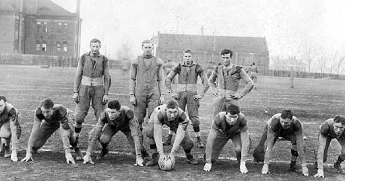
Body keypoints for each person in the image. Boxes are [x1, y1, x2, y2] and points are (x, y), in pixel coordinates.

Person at [164, 49, 209, 148]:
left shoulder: (197, 67)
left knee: (194, 118)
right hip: (180, 95)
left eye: (189, 56)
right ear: (183, 57)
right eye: (186, 56)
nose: (187, 58)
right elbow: (168, 79)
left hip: (192, 95)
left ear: (192, 57)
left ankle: (198, 139)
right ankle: (169, 138)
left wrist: (201, 94)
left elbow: (206, 82)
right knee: (175, 116)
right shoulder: (179, 66)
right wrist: (171, 93)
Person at [72, 38, 111, 151]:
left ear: (100, 47)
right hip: (84, 88)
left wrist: (106, 93)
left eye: (97, 46)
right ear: (90, 46)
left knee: (101, 116)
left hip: (98, 89)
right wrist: (75, 91)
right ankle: (76, 137)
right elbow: (78, 74)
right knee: (79, 116)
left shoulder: (104, 59)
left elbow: (107, 77)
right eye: (93, 46)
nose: (95, 49)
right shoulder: (84, 57)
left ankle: (100, 141)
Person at [82, 100, 148, 165]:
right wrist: (88, 154)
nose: (110, 115)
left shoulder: (128, 113)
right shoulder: (105, 114)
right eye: (109, 112)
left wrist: (138, 156)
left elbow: (135, 135)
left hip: (127, 127)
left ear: (119, 112)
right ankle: (104, 149)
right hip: (112, 126)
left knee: (135, 149)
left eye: (113, 112)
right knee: (100, 137)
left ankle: (145, 153)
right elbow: (96, 133)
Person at [21, 99, 82, 164]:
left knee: (69, 136)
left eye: (47, 112)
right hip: (50, 121)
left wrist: (68, 153)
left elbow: (65, 133)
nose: (45, 114)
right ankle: (34, 149)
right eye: (43, 112)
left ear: (53, 109)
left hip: (65, 118)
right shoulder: (38, 113)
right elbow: (34, 132)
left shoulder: (61, 110)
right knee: (35, 145)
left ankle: (77, 149)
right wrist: (28, 152)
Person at [252, 109, 309, 176]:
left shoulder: (297, 124)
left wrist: (304, 165)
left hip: (289, 133)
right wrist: (266, 164)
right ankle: (257, 158)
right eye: (282, 121)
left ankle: (292, 165)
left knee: (301, 146)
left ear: (291, 121)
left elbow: (300, 145)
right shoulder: (274, 122)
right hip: (275, 131)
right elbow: (269, 145)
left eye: (286, 123)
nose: (283, 124)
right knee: (262, 146)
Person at [145, 100, 199, 167]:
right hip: (158, 116)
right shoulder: (159, 114)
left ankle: (188, 155)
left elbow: (179, 135)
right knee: (150, 131)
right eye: (170, 112)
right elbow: (157, 134)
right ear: (165, 110)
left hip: (176, 121)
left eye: (175, 112)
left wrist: (172, 153)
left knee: (188, 142)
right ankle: (154, 157)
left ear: (178, 110)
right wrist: (161, 153)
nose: (172, 115)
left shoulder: (183, 117)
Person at [203, 104, 250, 173]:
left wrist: (243, 163)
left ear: (238, 115)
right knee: (212, 158)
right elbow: (210, 140)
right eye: (230, 117)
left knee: (239, 148)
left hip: (236, 134)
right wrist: (208, 161)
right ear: (225, 114)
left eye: (235, 117)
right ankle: (209, 159)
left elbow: (245, 141)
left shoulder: (242, 119)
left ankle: (241, 162)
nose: (232, 120)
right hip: (222, 133)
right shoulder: (218, 118)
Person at [129, 40, 165, 130]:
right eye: (146, 47)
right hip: (140, 92)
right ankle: (139, 141)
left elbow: (161, 79)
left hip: (154, 92)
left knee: (154, 117)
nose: (148, 49)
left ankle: (152, 142)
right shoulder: (135, 61)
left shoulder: (158, 61)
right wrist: (131, 95)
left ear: (153, 48)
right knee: (138, 118)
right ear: (142, 48)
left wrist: (162, 95)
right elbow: (132, 79)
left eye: (150, 47)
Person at [208, 49, 254, 117]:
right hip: (219, 98)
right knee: (217, 120)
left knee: (234, 121)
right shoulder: (218, 69)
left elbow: (250, 83)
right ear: (221, 58)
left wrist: (240, 94)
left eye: (227, 58)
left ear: (231, 58)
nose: (225, 60)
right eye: (223, 58)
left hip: (232, 99)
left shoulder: (238, 69)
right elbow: (210, 81)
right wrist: (215, 91)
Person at [0, 96, 21, 161]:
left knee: (5, 133)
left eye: (0, 105)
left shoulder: (11, 111)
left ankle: (7, 146)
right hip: (2, 119)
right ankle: (2, 145)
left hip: (9, 120)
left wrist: (14, 152)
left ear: (5, 104)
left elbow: (14, 131)